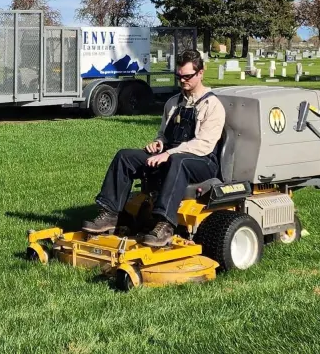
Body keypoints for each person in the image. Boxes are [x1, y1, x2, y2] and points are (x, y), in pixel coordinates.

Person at [82, 49, 225, 247]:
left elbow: (204, 144)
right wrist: (159, 144)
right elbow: (164, 134)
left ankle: (164, 224)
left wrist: (168, 153)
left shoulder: (212, 105)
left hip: (202, 161)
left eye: (187, 76)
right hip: (172, 155)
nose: (182, 80)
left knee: (178, 161)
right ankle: (110, 214)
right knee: (125, 156)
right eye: (179, 76)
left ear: (200, 73)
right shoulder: (173, 103)